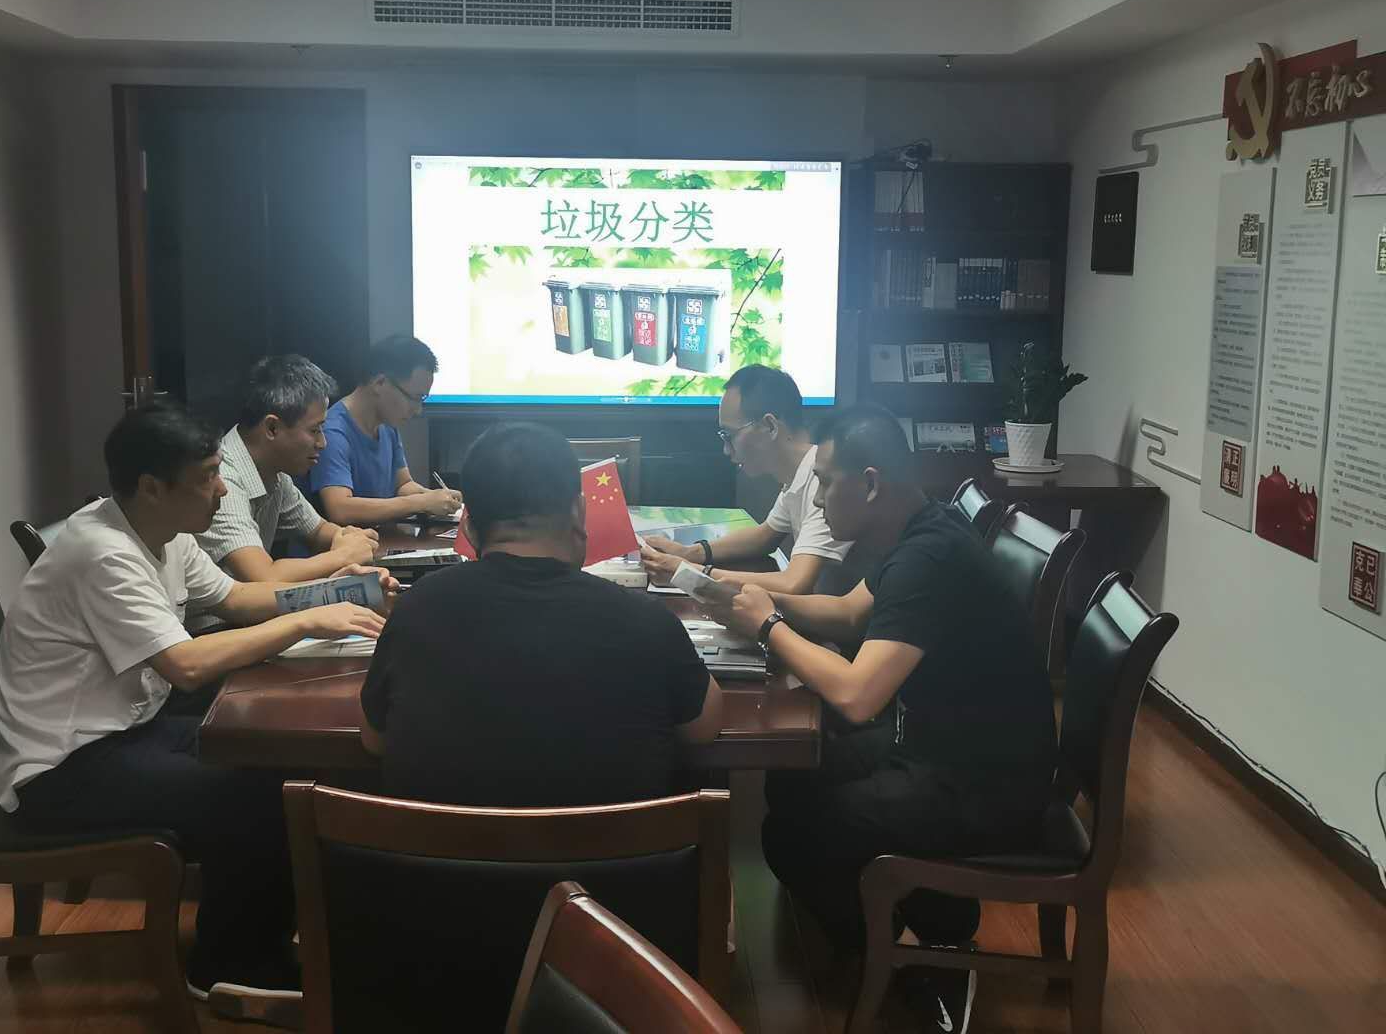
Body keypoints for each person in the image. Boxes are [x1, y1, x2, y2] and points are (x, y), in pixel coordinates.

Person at [0, 404, 393, 1015]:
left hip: (124, 731)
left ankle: (267, 929)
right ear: (152, 487)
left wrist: (344, 591)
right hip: (60, 769)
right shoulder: (102, 551)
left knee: (276, 764)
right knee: (255, 796)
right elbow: (186, 665)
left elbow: (237, 598)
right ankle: (227, 966)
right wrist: (307, 620)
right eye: (207, 475)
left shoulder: (163, 530)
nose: (223, 487)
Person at [709, 404, 1057, 1034]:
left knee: (790, 836)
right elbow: (848, 613)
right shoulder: (923, 527)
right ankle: (929, 924)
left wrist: (768, 625)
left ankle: (915, 955)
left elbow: (856, 696)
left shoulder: (928, 558)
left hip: (981, 784)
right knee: (793, 779)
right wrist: (745, 598)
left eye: (826, 483)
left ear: (869, 484)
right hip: (941, 745)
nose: (818, 499)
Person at [361, 420, 724, 805]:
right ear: (579, 513)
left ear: (468, 527)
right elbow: (703, 727)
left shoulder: (415, 610)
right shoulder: (647, 621)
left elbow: (374, 739)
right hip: (613, 846)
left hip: (441, 846)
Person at [639, 364, 852, 594]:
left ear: (770, 426)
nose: (725, 450)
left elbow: (793, 584)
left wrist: (689, 572)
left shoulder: (824, 481)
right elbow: (765, 536)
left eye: (729, 435)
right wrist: (688, 553)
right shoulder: (799, 474)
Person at [196, 354, 380, 586]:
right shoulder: (223, 480)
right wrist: (344, 555)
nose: (323, 443)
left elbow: (318, 531)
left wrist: (349, 538)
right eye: (315, 430)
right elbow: (264, 577)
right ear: (272, 428)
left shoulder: (274, 472)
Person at [304, 334, 461, 527]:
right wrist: (421, 502)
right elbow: (340, 509)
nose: (417, 410)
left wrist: (437, 498)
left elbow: (403, 485)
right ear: (380, 383)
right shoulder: (331, 432)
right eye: (414, 398)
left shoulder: (386, 425)